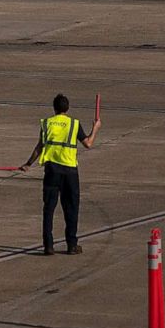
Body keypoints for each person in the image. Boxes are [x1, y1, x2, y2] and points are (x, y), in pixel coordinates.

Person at [20, 94, 99, 255]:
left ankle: (48, 245)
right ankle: (71, 244)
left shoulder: (47, 123)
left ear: (54, 109)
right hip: (70, 171)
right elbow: (88, 144)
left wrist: (28, 164)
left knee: (49, 209)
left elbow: (39, 147)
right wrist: (96, 128)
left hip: (52, 171)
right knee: (71, 208)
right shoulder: (74, 124)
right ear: (67, 109)